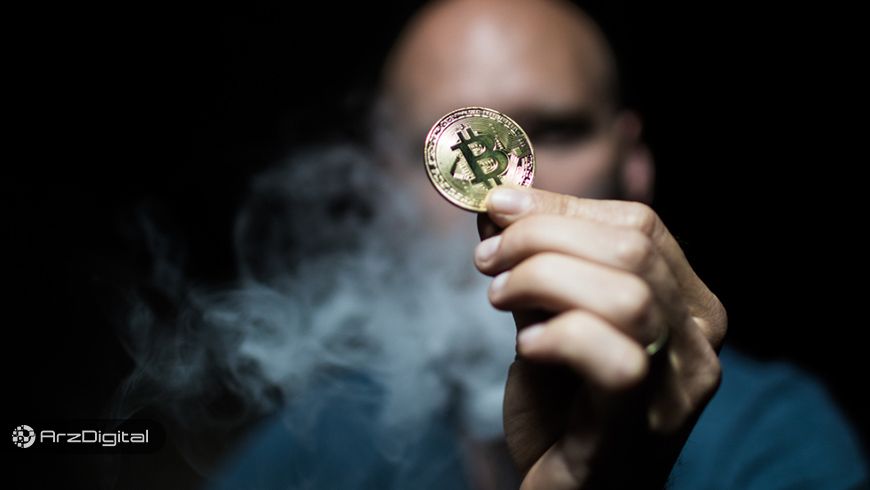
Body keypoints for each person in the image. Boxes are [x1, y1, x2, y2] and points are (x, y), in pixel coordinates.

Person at [181, 0, 867, 488]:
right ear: (388, 183)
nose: (505, 185)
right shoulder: (323, 445)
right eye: (455, 143)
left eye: (558, 131)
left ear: (633, 163)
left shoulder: (771, 435)